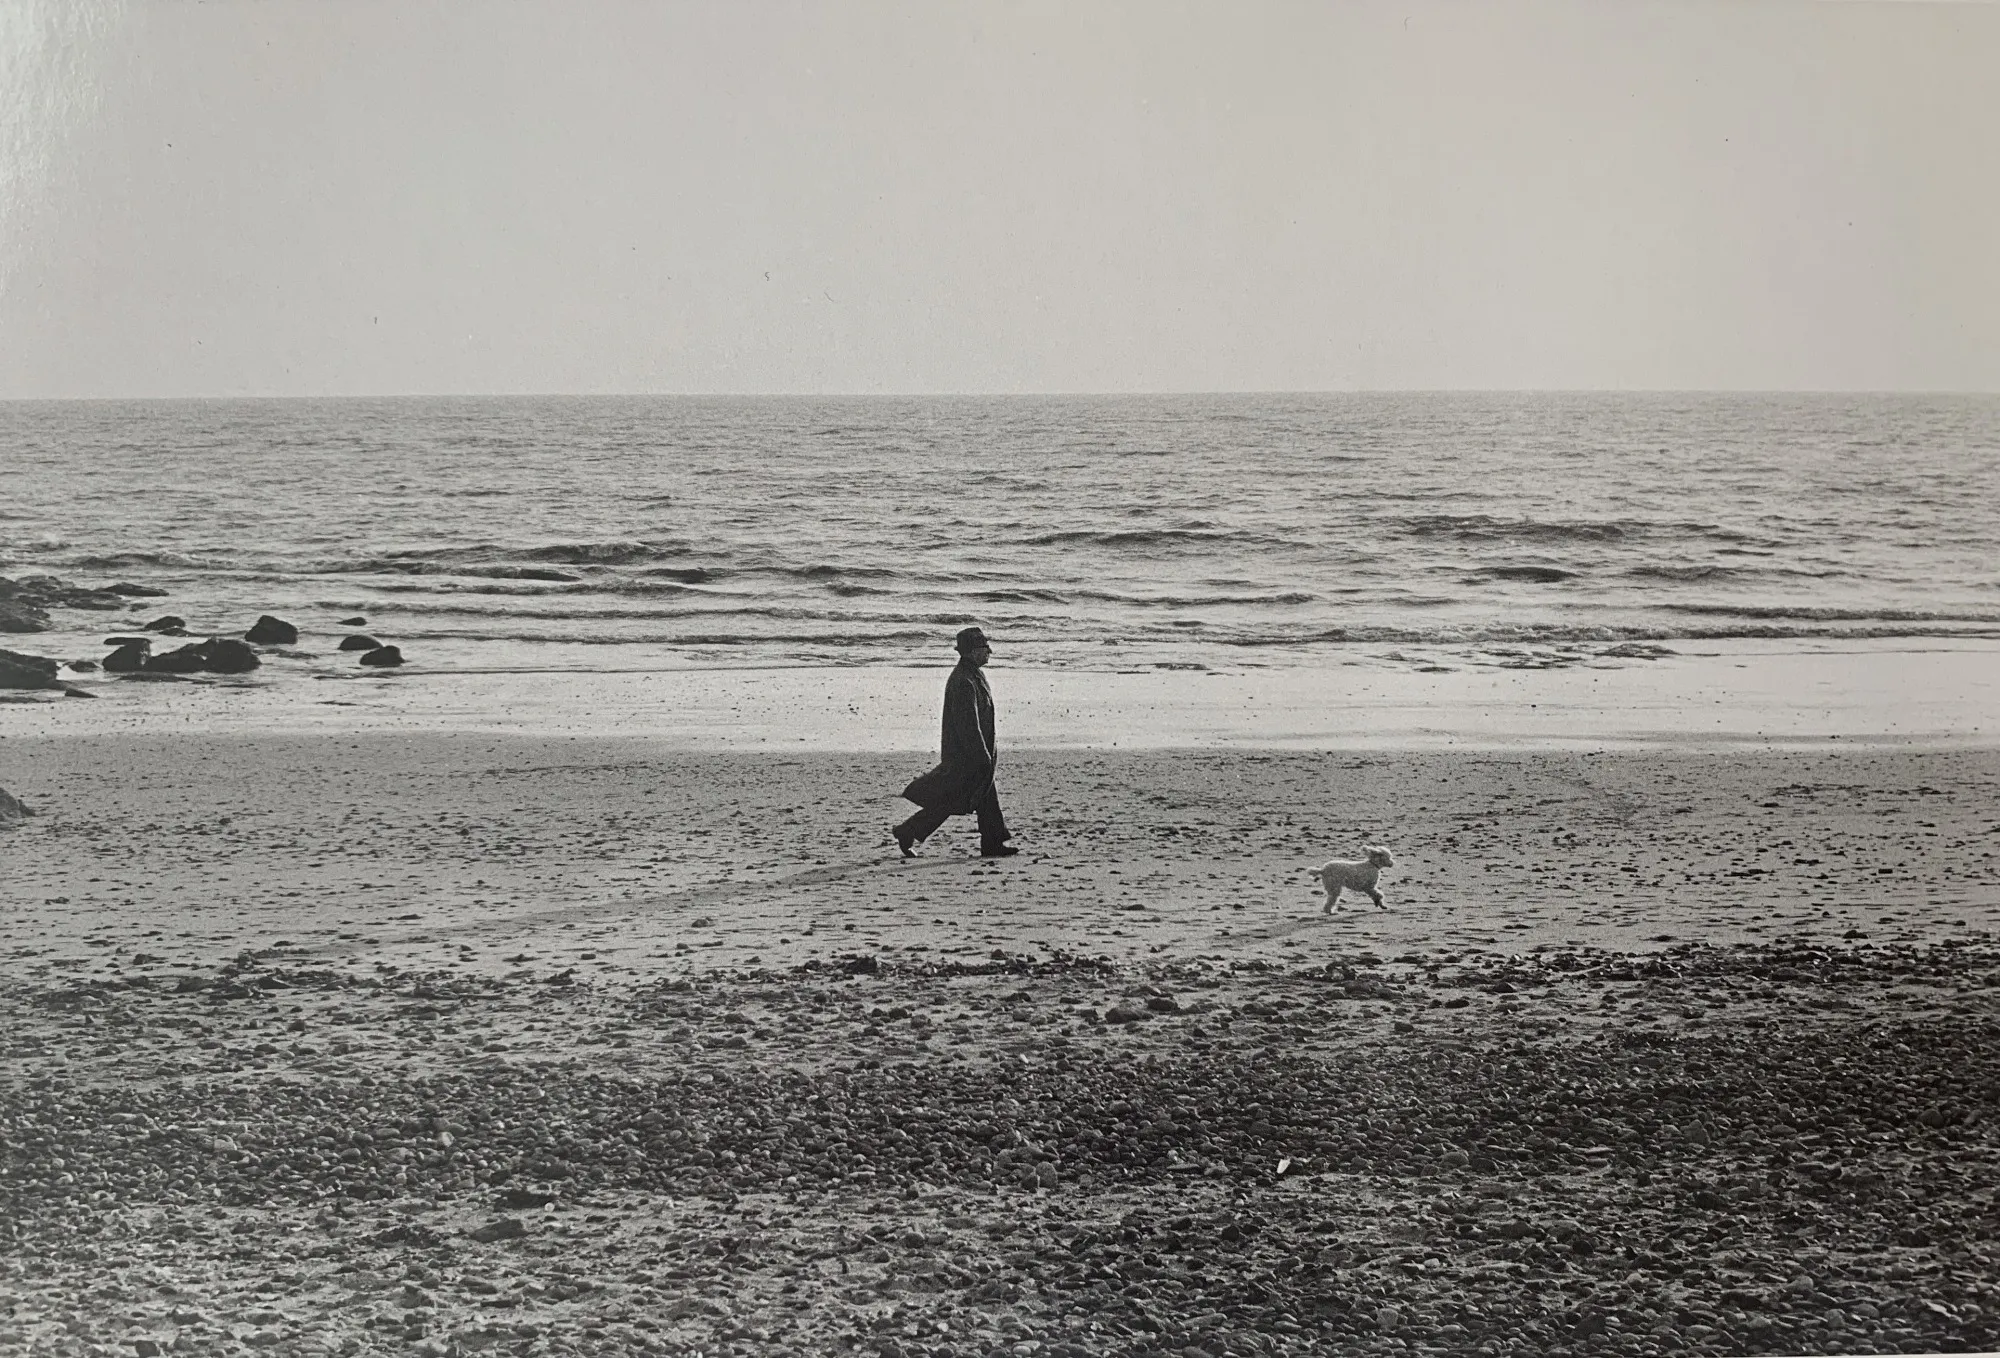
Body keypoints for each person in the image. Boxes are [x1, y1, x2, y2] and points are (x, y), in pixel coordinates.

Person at [891, 626, 1017, 858]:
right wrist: (982, 756)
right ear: (971, 652)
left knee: (977, 796)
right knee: (955, 800)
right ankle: (908, 831)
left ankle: (992, 842)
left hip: (974, 754)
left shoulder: (972, 675)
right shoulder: (963, 681)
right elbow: (968, 725)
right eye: (984, 648)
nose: (989, 652)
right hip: (967, 756)